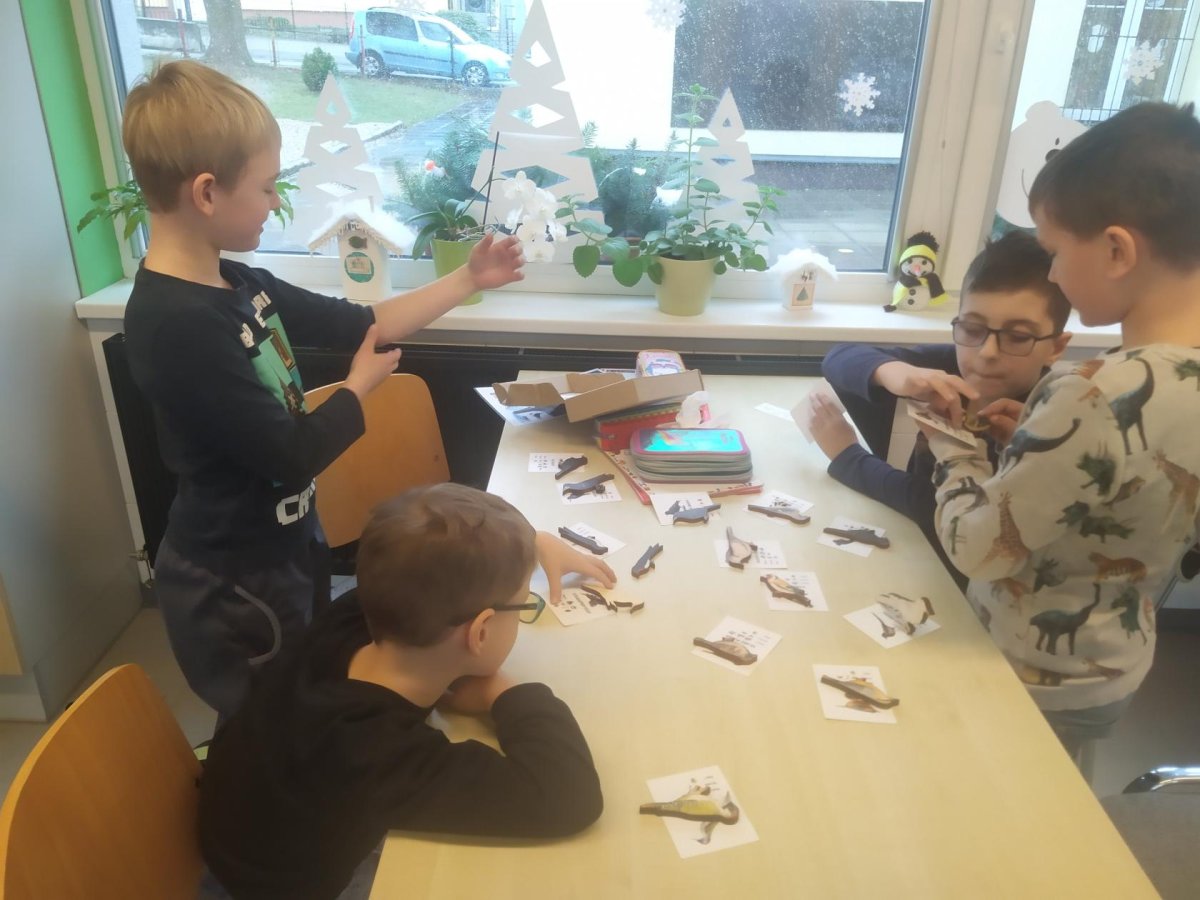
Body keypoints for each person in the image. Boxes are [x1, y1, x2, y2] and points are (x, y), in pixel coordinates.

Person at [120, 60, 524, 721]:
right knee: (271, 724)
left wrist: (469, 280)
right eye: (266, 187)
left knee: (305, 695)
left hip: (286, 547)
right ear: (207, 193)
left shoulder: (238, 284)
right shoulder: (175, 325)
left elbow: (364, 322)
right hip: (233, 580)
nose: (274, 202)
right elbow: (290, 454)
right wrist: (358, 389)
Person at [924, 102, 1200, 758]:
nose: (1050, 273)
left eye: (1053, 252)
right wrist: (1039, 443)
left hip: (1027, 675)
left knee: (1011, 798)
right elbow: (1140, 482)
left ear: (1116, 250)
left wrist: (954, 452)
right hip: (1112, 667)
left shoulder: (1093, 391)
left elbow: (980, 549)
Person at [198, 483, 615, 900]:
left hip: (244, 807)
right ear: (481, 632)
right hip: (271, 884)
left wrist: (536, 542)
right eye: (524, 603)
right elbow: (567, 794)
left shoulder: (361, 612)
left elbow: (435, 563)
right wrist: (504, 691)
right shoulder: (373, 750)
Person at [811, 231, 1072, 590]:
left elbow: (941, 514)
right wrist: (896, 374)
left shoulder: (1054, 422)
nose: (987, 352)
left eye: (1018, 337)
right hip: (919, 562)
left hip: (975, 590)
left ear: (1056, 347)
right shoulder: (953, 365)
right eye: (972, 329)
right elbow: (840, 356)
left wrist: (849, 458)